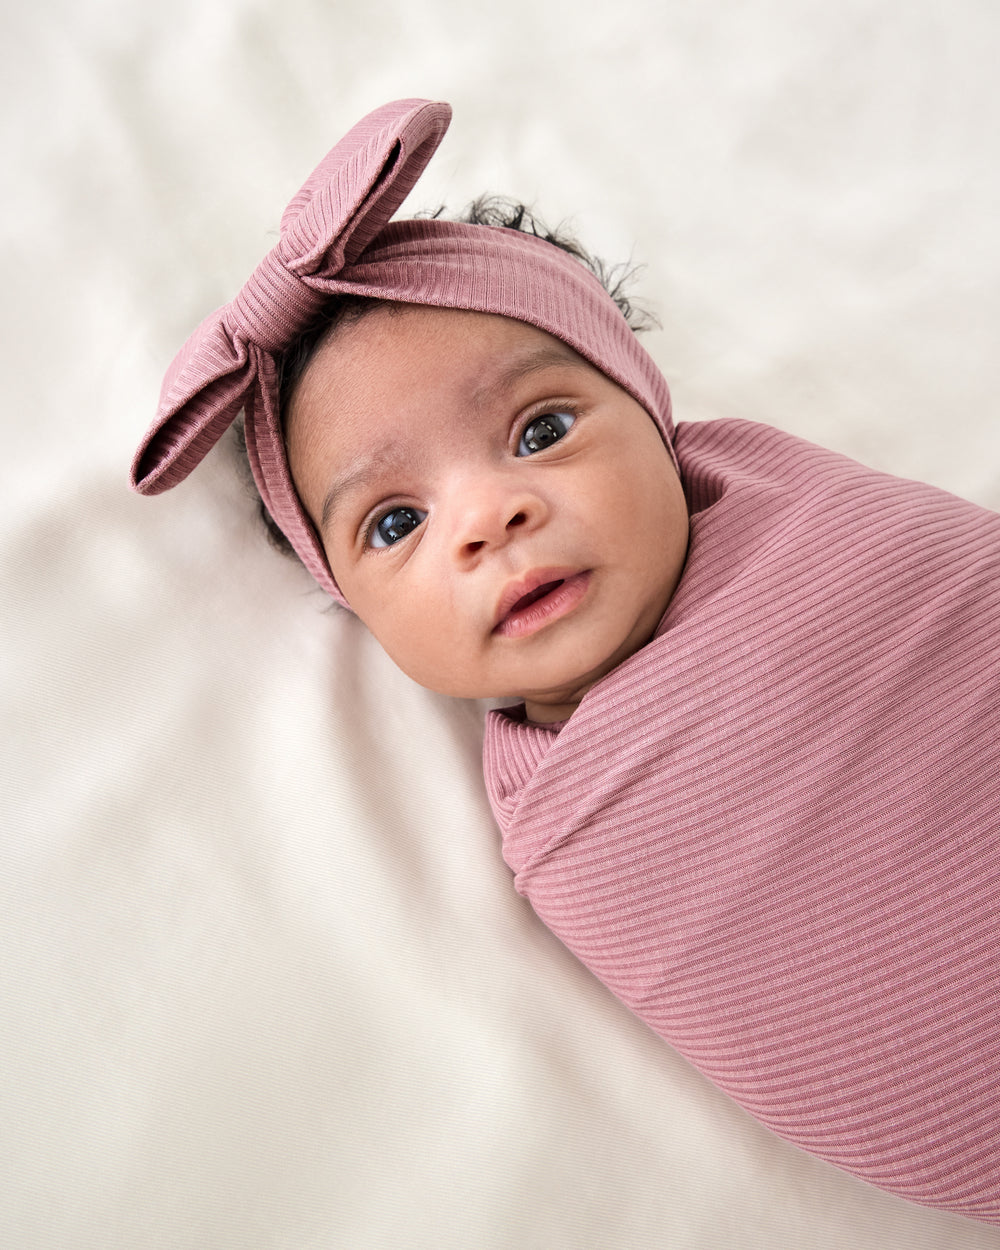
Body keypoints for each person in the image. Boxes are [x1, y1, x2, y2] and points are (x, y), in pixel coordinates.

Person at [131, 99, 1000, 1225]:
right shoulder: (565, 811)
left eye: (539, 430)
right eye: (395, 524)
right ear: (355, 611)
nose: (487, 517)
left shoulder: (811, 519)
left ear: (650, 411)